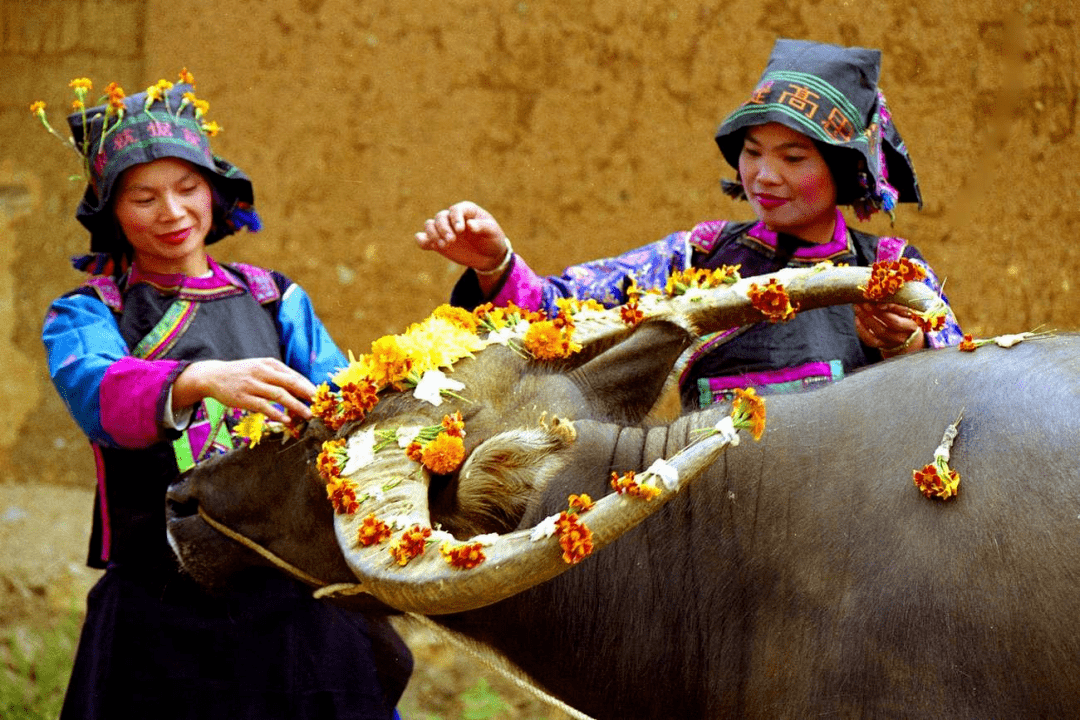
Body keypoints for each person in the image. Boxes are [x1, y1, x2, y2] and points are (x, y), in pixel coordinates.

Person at [37, 73, 411, 719]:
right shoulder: (89, 313)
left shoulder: (274, 298)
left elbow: (340, 411)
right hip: (158, 612)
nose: (173, 213)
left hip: (291, 598)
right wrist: (199, 380)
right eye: (144, 197)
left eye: (188, 189)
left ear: (215, 192)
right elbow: (95, 391)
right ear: (112, 212)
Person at [416, 39, 963, 409]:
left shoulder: (889, 267)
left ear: (840, 172)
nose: (765, 175)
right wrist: (496, 263)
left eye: (793, 159)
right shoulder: (698, 256)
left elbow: (960, 394)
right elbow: (559, 313)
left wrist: (903, 348)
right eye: (752, 152)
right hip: (707, 524)